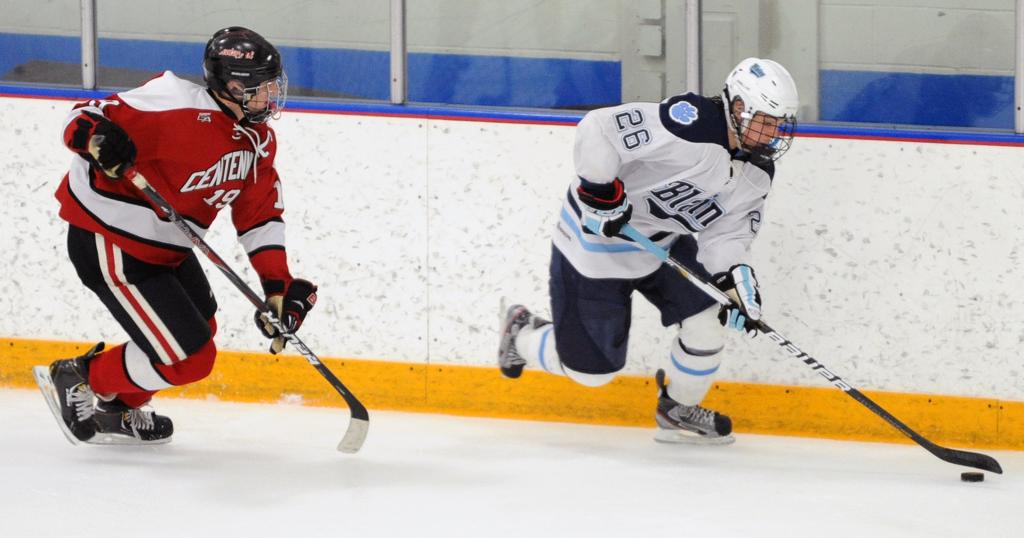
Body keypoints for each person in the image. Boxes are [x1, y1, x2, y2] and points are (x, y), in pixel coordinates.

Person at [36, 27, 317, 445]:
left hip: (168, 245)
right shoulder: (171, 103)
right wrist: (97, 140)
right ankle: (80, 376)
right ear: (232, 86)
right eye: (262, 87)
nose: (271, 96)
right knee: (190, 358)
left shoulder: (257, 140)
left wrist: (276, 285)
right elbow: (81, 115)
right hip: (111, 240)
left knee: (201, 326)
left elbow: (259, 216)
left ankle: (119, 409)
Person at [498, 58, 799, 444]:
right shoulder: (688, 124)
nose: (774, 134)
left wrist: (734, 279)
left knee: (707, 324)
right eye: (767, 121)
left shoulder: (757, 170)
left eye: (780, 124)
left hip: (664, 244)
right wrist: (601, 192)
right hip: (596, 241)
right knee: (591, 374)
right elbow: (599, 129)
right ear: (739, 107)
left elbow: (727, 234)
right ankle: (521, 332)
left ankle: (676, 410)